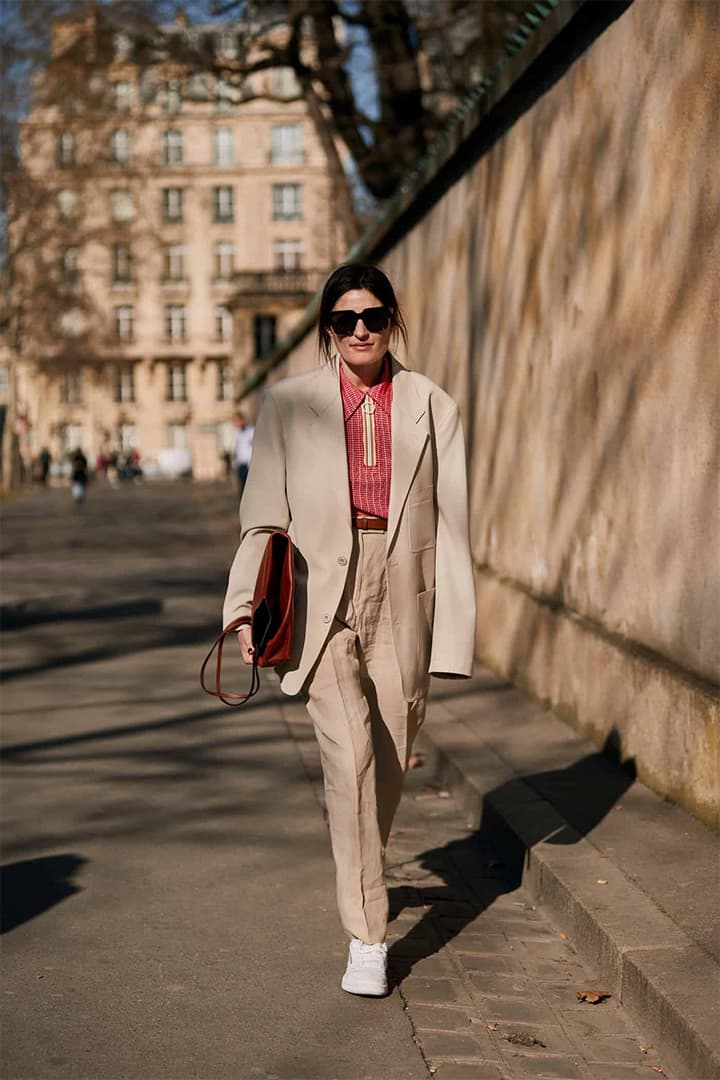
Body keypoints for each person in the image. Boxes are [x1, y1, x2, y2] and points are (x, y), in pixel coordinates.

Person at [223, 263, 476, 997]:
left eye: (372, 316)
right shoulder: (289, 403)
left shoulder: (434, 405)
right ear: (328, 329)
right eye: (344, 320)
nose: (359, 330)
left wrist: (453, 632)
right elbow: (263, 514)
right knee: (353, 757)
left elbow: (454, 526)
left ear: (392, 319)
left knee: (392, 754)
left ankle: (363, 865)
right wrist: (243, 606)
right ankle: (369, 936)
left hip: (402, 592)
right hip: (316, 595)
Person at [231, 412, 254, 494]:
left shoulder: (251, 430)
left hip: (250, 464)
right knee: (242, 488)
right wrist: (234, 463)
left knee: (250, 487)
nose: (238, 423)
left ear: (243, 420)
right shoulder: (236, 433)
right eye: (236, 421)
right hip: (241, 464)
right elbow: (234, 448)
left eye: (239, 421)